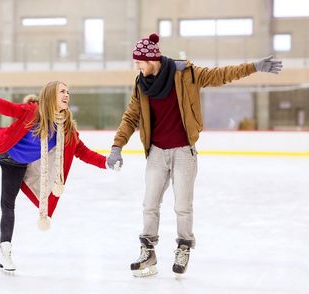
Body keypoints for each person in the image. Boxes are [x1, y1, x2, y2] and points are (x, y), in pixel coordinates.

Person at [106, 33, 282, 277]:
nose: (136, 66)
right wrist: (117, 146)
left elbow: (220, 75)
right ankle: (148, 251)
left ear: (153, 59)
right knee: (149, 204)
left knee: (183, 206)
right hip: (156, 152)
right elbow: (131, 116)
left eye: (139, 61)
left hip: (183, 152)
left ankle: (183, 247)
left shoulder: (185, 73)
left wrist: (254, 66)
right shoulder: (141, 84)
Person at [0, 81, 119, 273]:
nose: (67, 95)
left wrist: (106, 162)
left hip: (16, 165)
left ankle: (5, 252)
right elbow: (9, 109)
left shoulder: (67, 130)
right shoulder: (33, 111)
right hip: (0, 146)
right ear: (50, 95)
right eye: (62, 91)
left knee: (7, 205)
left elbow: (84, 152)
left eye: (68, 92)